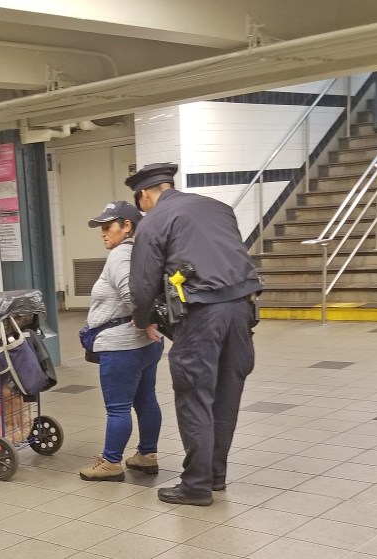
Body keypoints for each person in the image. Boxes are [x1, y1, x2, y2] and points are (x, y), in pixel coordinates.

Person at [128, 163, 262, 506]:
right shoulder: (218, 208)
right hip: (243, 311)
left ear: (145, 194)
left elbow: (144, 283)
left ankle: (196, 485)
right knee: (225, 396)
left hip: (202, 316)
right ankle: (215, 475)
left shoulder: (154, 221)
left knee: (194, 396)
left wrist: (144, 319)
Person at [79, 201, 164, 482]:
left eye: (108, 227)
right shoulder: (145, 251)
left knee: (117, 407)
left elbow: (133, 294)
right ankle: (146, 455)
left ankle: (111, 462)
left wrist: (144, 322)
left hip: (122, 344)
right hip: (147, 345)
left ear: (127, 226)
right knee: (146, 399)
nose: (103, 233)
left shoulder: (119, 255)